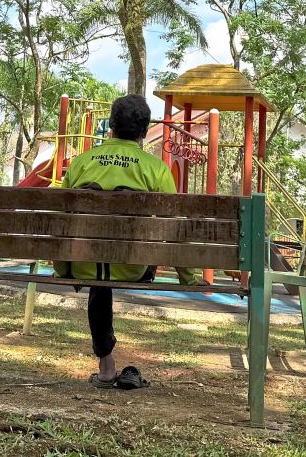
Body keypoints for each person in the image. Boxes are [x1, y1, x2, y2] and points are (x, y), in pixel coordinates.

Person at [56, 94, 201, 389]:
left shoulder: (81, 163)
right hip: (133, 266)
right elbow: (174, 228)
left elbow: (61, 220)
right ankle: (114, 367)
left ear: (111, 125)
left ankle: (106, 366)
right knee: (125, 254)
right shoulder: (155, 168)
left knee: (99, 272)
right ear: (144, 131)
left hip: (83, 262)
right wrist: (189, 278)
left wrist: (64, 269)